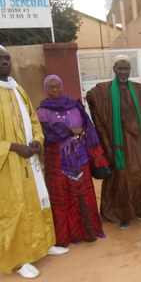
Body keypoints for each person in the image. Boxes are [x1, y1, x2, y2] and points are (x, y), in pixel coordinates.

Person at [0, 44, 68, 279]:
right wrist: (14, 147)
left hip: (29, 162)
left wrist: (36, 141)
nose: (4, 62)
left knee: (37, 203)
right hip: (6, 167)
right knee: (13, 211)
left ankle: (44, 245)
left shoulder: (18, 90)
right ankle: (19, 259)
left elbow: (33, 121)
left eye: (7, 58)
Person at [86, 55, 141, 229]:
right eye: (120, 68)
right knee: (122, 180)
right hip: (119, 144)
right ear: (114, 69)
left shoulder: (140, 90)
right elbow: (92, 97)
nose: (123, 72)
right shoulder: (105, 91)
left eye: (126, 68)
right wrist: (107, 147)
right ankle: (125, 214)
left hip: (138, 143)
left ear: (130, 70)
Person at [37, 75, 108, 246]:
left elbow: (88, 128)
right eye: (51, 87)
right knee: (62, 197)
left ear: (63, 86)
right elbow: (45, 137)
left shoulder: (75, 105)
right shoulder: (42, 111)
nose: (55, 90)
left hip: (80, 158)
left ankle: (88, 232)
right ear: (46, 89)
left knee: (83, 195)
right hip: (57, 162)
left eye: (58, 86)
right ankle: (67, 236)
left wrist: (97, 154)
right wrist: (69, 131)